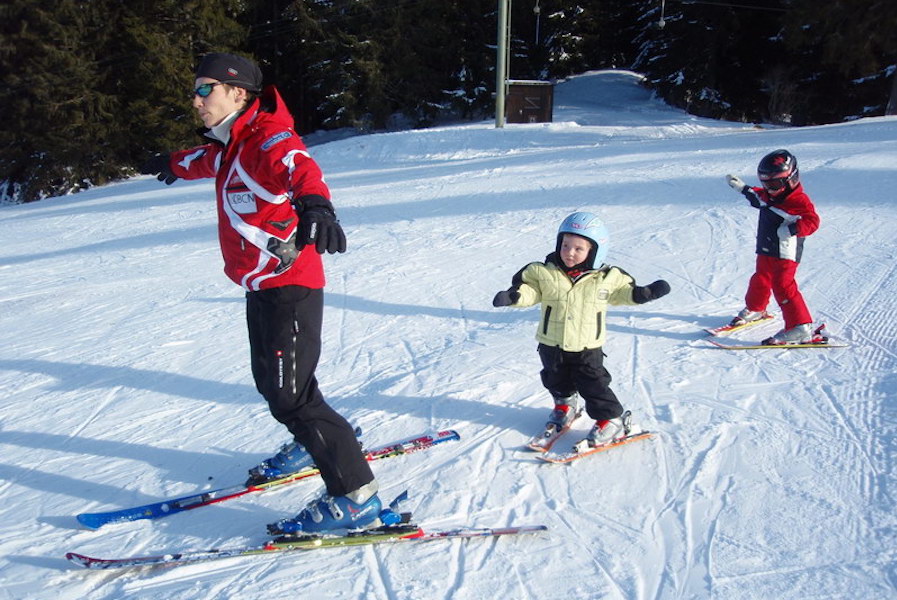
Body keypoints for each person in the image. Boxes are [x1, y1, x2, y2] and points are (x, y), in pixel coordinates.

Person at [139, 52, 388, 533]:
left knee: (289, 396)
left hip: (289, 286)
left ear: (238, 93)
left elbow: (300, 167)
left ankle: (356, 497)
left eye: (204, 88)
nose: (195, 99)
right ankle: (311, 442)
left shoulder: (268, 138)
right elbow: (204, 160)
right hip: (262, 284)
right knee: (278, 386)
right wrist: (169, 162)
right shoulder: (233, 145)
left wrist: (317, 206)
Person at [491, 212, 670, 449]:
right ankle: (565, 405)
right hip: (550, 342)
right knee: (555, 378)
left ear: (594, 252)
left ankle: (611, 419)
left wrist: (644, 294)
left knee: (593, 384)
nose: (569, 252)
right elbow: (531, 290)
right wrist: (514, 297)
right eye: (565, 245)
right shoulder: (544, 272)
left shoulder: (606, 278)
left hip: (586, 346)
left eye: (578, 248)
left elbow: (623, 293)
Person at [725, 149, 822, 345]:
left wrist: (793, 228)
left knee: (783, 285)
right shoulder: (770, 195)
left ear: (791, 178)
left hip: (786, 250)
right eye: (766, 183)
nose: (770, 188)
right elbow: (759, 198)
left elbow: (813, 221)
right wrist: (742, 188)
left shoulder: (798, 200)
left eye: (775, 183)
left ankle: (800, 326)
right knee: (761, 277)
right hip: (766, 246)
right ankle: (756, 308)